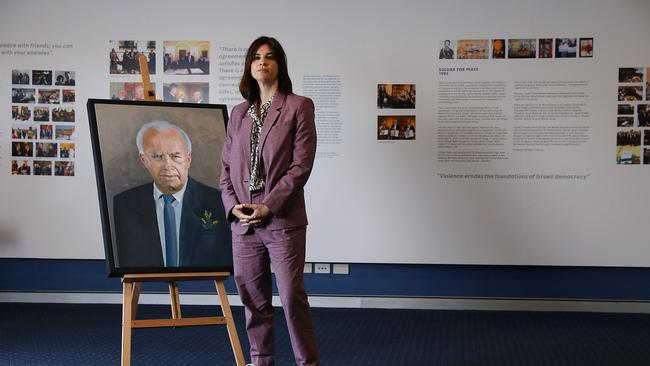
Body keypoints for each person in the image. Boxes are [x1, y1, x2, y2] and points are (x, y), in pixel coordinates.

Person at [220, 36, 320, 366]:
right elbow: (224, 168)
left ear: (279, 65)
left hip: (281, 219)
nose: (263, 61)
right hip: (244, 221)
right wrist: (232, 205)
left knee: (291, 297)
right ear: (249, 66)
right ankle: (261, 361)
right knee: (252, 299)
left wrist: (269, 206)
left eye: (270, 56)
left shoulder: (298, 106)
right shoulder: (238, 114)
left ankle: (307, 362)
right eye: (257, 57)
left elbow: (300, 166)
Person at [113, 120, 231, 268]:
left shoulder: (218, 202)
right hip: (152, 290)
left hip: (200, 288)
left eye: (175, 156)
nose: (168, 165)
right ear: (144, 160)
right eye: (158, 157)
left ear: (188, 159)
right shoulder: (125, 205)